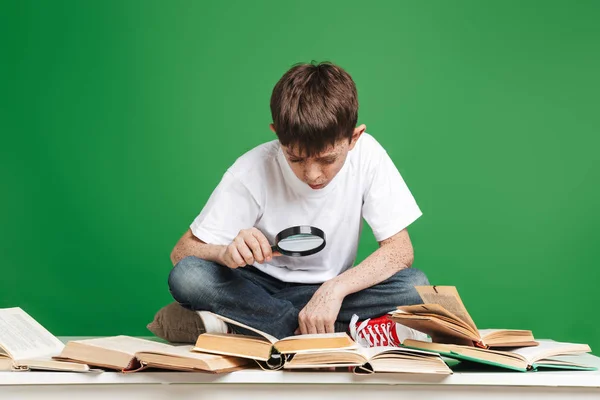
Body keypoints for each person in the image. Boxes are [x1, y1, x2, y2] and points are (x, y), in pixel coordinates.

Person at [168, 61, 429, 347]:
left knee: (415, 286)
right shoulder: (251, 170)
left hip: (328, 292)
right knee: (188, 276)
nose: (313, 175)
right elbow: (182, 252)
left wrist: (334, 290)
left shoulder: (369, 157)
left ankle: (249, 326)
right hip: (255, 289)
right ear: (277, 134)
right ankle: (324, 332)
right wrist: (225, 253)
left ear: (354, 137)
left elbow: (400, 251)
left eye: (328, 159)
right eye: (295, 158)